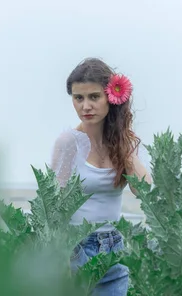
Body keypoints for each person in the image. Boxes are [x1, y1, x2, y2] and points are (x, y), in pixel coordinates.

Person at [50, 57, 152, 296]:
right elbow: (53, 206)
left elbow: (145, 190)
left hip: (113, 248)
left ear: (111, 98)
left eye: (94, 97)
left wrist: (122, 141)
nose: (86, 106)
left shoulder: (123, 143)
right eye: (78, 98)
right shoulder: (68, 143)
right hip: (76, 249)